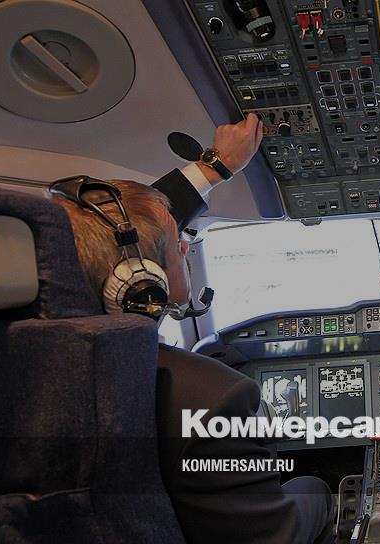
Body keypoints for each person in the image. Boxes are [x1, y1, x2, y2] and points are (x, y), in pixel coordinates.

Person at [50, 114, 334, 544]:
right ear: (143, 281)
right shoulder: (206, 397)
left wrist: (214, 167)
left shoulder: (19, 362)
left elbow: (122, 235)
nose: (185, 244)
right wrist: (323, 492)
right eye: (177, 242)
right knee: (314, 488)